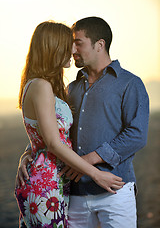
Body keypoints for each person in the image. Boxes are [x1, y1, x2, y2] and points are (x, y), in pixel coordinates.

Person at [16, 17, 149, 228]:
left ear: (100, 44)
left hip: (113, 187)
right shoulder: (70, 89)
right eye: (70, 43)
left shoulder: (129, 83)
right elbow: (54, 132)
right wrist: (29, 153)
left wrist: (90, 161)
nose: (72, 49)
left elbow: (136, 135)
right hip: (73, 192)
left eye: (78, 42)